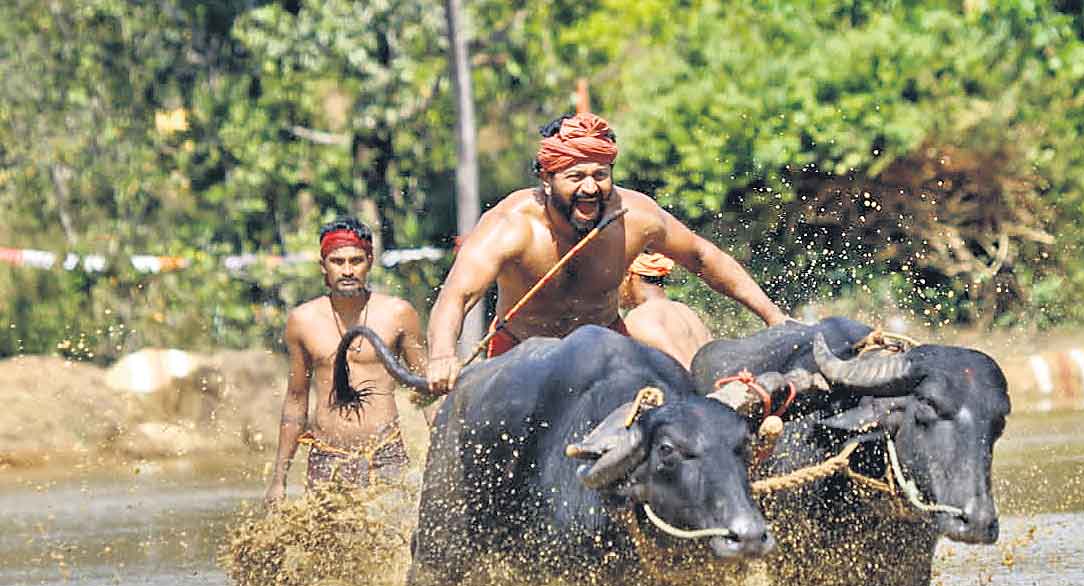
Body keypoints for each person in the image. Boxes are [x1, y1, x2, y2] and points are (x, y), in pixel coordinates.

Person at [425, 111, 787, 393]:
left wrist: (774, 318)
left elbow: (704, 258)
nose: (590, 188)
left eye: (600, 175)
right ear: (546, 179)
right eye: (575, 176)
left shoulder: (635, 216)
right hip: (521, 352)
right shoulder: (510, 226)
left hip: (607, 351)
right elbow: (455, 297)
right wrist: (442, 356)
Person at [263, 217, 429, 504]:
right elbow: (295, 399)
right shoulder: (302, 321)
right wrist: (279, 479)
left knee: (394, 543)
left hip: (385, 455)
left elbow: (427, 390)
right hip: (328, 459)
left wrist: (449, 449)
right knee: (327, 548)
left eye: (356, 260)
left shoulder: (398, 314)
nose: (348, 270)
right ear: (323, 267)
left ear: (370, 262)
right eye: (338, 261)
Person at [620, 252, 712, 370]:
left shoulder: (639, 317)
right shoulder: (685, 310)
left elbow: (682, 368)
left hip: (689, 387)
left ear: (629, 276)